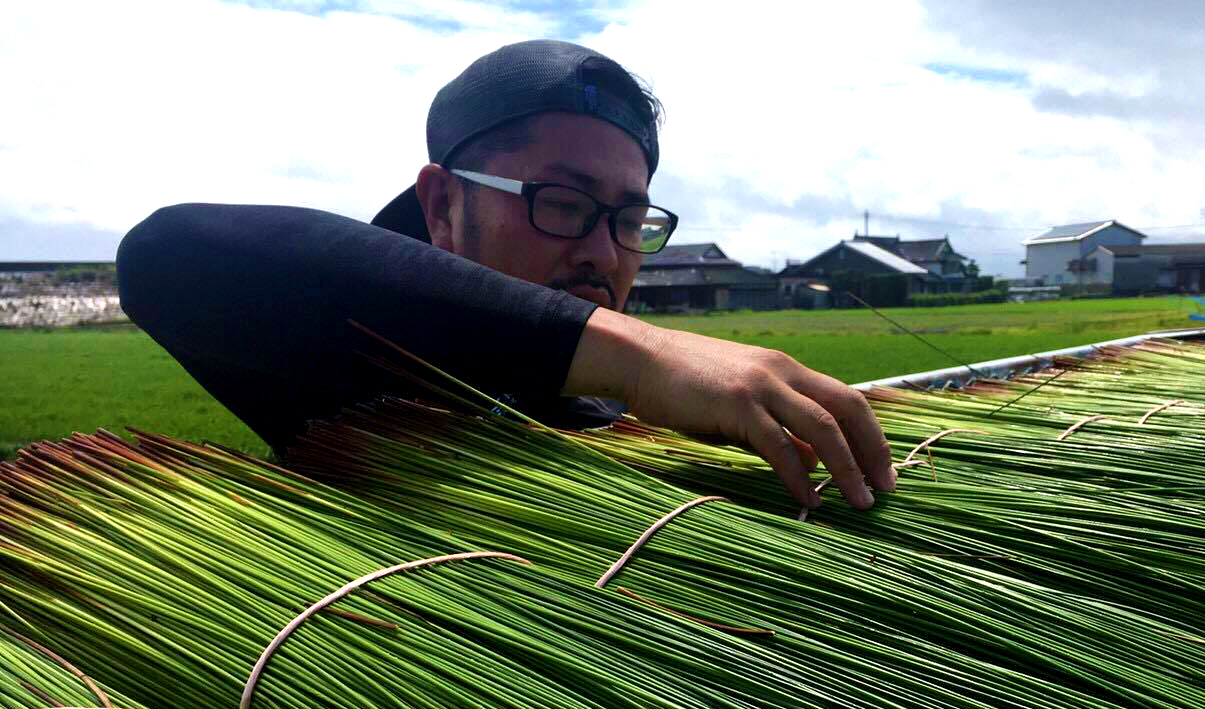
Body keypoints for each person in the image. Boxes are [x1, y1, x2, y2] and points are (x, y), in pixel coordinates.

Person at [117, 39, 893, 509]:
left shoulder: (627, 412)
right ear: (444, 204)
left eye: (630, 219)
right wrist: (639, 350)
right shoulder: (361, 367)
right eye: (561, 202)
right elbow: (167, 253)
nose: (604, 252)